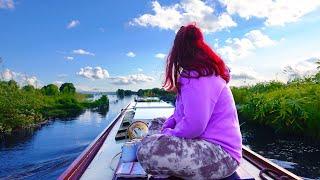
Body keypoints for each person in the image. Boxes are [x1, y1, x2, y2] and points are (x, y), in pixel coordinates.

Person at [136, 24, 242, 180]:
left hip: (221, 155)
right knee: (158, 122)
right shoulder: (197, 75)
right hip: (205, 143)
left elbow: (195, 126)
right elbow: (180, 113)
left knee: (145, 151)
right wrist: (167, 126)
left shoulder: (198, 78)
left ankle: (163, 166)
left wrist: (168, 134)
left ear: (179, 51)